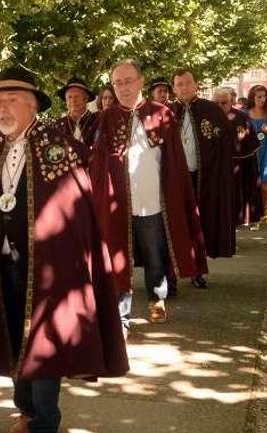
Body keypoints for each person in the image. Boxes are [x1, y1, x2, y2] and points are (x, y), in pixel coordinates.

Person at [0, 67, 129, 433]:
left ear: (32, 105)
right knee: (11, 337)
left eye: (10, 101)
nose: (1, 108)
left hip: (48, 267)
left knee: (44, 344)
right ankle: (26, 412)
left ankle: (46, 431)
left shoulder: (59, 147)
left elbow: (77, 213)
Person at [90, 59, 208, 327]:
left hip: (152, 202)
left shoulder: (162, 114)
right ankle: (121, 316)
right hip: (117, 205)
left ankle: (157, 298)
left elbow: (175, 162)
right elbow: (96, 163)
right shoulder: (106, 118)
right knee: (118, 258)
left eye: (128, 81)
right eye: (117, 82)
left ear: (141, 82)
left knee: (155, 254)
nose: (123, 87)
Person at [171, 68, 235, 281]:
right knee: (176, 225)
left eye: (188, 82)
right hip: (175, 181)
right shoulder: (168, 113)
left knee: (199, 225)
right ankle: (172, 272)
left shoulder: (212, 110)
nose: (184, 87)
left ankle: (198, 270)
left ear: (196, 84)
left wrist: (220, 173)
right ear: (174, 88)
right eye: (179, 84)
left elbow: (227, 142)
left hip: (204, 178)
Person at [214, 89, 262, 227]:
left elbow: (251, 145)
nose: (219, 106)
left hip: (238, 163)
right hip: (214, 166)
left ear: (231, 102)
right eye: (215, 103)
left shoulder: (241, 117)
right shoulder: (207, 118)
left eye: (223, 103)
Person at [246, 85, 267, 226]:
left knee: (265, 185)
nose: (262, 99)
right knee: (252, 183)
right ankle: (253, 213)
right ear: (252, 98)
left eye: (264, 96)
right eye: (258, 97)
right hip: (251, 151)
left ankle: (264, 209)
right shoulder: (245, 113)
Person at [53, 76, 99, 151]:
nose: (73, 101)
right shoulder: (56, 126)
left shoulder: (98, 122)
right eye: (69, 97)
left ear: (86, 99)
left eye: (77, 96)